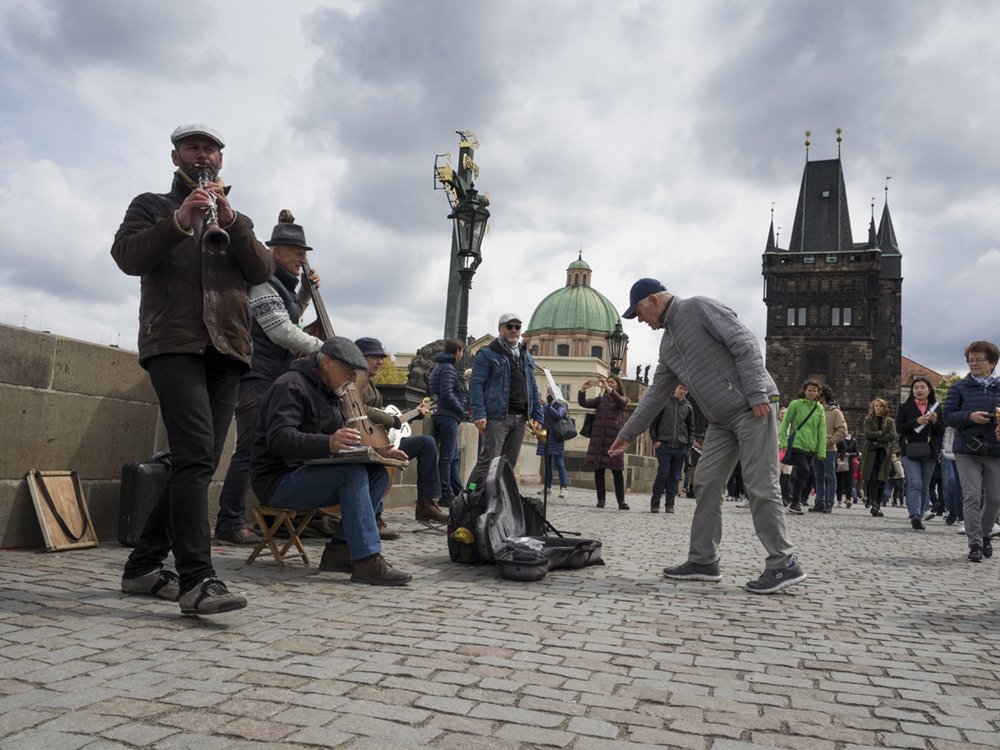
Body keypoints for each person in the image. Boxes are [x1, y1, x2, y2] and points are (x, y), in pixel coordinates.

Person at [113, 124, 273, 615]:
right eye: (193, 147)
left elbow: (263, 271)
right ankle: (197, 579)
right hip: (173, 342)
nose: (202, 154)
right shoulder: (151, 205)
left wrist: (234, 221)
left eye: (210, 149)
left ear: (220, 160)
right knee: (197, 457)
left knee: (195, 458)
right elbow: (126, 256)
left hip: (227, 348)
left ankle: (142, 568)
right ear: (176, 156)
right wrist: (180, 219)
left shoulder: (235, 216)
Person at [608, 278, 806, 594]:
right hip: (721, 421)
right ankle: (703, 560)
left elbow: (745, 343)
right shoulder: (668, 345)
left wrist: (756, 392)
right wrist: (627, 434)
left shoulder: (698, 308)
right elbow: (656, 393)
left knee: (760, 484)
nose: (641, 321)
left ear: (653, 300)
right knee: (706, 482)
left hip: (753, 407)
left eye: (639, 313)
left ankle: (783, 563)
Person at [250, 336, 412, 585]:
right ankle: (367, 560)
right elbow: (280, 439)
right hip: (278, 480)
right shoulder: (290, 385)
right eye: (349, 372)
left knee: (377, 473)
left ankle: (339, 551)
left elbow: (344, 441)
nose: (352, 380)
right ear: (326, 362)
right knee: (352, 475)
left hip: (310, 473)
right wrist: (327, 443)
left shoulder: (332, 393)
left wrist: (380, 452)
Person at [214, 211, 323, 545]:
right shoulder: (261, 282)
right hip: (257, 377)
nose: (303, 259)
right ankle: (230, 521)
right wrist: (326, 349)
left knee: (265, 452)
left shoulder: (281, 287)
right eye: (297, 252)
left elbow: (290, 315)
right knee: (248, 451)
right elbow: (280, 331)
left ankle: (261, 519)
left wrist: (304, 294)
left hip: (271, 378)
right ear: (276, 253)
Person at [354, 337, 449, 527]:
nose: (380, 361)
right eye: (374, 356)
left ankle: (426, 503)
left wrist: (415, 413)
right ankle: (375, 515)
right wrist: (391, 420)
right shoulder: (355, 380)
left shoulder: (371, 383)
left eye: (381, 356)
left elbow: (390, 417)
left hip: (381, 438)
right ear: (359, 357)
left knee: (427, 443)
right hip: (364, 442)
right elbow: (359, 408)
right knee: (381, 460)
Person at [466, 313, 544, 487]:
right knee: (488, 461)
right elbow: (476, 385)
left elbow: (533, 387)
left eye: (517, 327)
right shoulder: (487, 353)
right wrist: (479, 413)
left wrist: (538, 416)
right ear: (500, 329)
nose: (514, 330)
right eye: (510, 326)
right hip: (497, 416)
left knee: (508, 465)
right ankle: (469, 495)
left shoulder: (526, 357)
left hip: (520, 418)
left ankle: (495, 500)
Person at [942, 340, 1000, 562]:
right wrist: (969, 417)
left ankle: (985, 534)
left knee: (995, 498)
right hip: (967, 448)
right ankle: (975, 543)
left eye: (979, 359)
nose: (974, 363)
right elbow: (948, 416)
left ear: (992, 363)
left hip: (995, 450)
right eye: (971, 360)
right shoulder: (959, 387)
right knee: (972, 496)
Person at [896, 376, 944, 530]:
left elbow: (941, 431)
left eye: (922, 387)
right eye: (916, 388)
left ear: (929, 390)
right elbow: (900, 428)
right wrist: (916, 422)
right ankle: (915, 514)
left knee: (924, 486)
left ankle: (920, 515)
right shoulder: (905, 407)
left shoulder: (935, 407)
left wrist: (935, 422)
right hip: (910, 449)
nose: (919, 390)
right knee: (915, 483)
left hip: (930, 451)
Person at [579, 375, 630, 510]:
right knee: (599, 470)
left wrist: (608, 389)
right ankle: (601, 499)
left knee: (617, 471)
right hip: (599, 439)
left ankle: (621, 501)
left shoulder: (622, 399)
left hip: (614, 440)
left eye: (612, 382)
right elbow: (584, 403)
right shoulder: (601, 400)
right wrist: (582, 390)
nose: (609, 384)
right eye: (608, 382)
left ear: (618, 386)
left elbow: (622, 403)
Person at [428, 338, 466, 505]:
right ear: (457, 352)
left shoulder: (438, 366)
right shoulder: (449, 368)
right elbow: (447, 394)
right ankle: (446, 494)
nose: (462, 354)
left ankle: (457, 491)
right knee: (448, 457)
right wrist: (460, 410)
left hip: (440, 413)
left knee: (453, 456)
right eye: (462, 351)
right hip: (448, 415)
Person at [778, 381, 826, 515]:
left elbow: (822, 430)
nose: (812, 393)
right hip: (797, 443)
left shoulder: (819, 408)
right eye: (809, 390)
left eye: (814, 391)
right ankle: (794, 502)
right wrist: (783, 442)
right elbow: (785, 422)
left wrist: (821, 451)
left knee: (803, 473)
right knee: (804, 470)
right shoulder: (796, 404)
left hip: (811, 446)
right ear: (804, 391)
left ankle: (794, 501)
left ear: (818, 392)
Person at [648, 384, 694, 513]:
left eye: (685, 389)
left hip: (681, 447)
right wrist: (656, 440)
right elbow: (653, 423)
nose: (683, 391)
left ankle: (670, 504)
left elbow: (691, 428)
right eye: (681, 388)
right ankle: (655, 502)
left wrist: (688, 445)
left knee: (675, 476)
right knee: (663, 473)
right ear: (675, 388)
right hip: (665, 445)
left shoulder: (688, 407)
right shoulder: (664, 403)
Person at [860, 397, 897, 518]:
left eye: (881, 406)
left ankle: (877, 504)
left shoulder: (890, 421)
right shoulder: (868, 420)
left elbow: (892, 436)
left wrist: (876, 438)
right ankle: (874, 503)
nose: (878, 408)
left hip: (884, 453)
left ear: (885, 408)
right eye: (876, 406)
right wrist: (881, 434)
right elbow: (867, 434)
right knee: (872, 478)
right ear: (873, 407)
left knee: (882, 479)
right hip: (871, 452)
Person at [814, 385, 847, 513]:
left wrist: (831, 441)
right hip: (815, 447)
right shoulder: (815, 409)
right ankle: (819, 502)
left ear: (823, 396)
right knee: (818, 476)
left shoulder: (835, 412)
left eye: (818, 394)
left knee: (830, 476)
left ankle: (829, 502)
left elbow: (843, 430)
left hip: (829, 449)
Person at [536, 395, 570, 497]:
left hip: (556, 437)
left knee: (559, 463)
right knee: (548, 464)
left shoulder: (562, 404)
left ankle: (564, 487)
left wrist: (546, 405)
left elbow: (558, 415)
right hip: (546, 436)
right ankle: (548, 487)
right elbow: (542, 416)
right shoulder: (547, 405)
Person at [836, 431, 859, 508]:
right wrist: (840, 455)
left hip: (849, 462)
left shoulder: (853, 440)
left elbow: (857, 453)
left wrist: (849, 455)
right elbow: (836, 450)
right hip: (840, 461)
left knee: (848, 482)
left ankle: (848, 499)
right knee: (839, 482)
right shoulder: (839, 439)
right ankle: (839, 500)